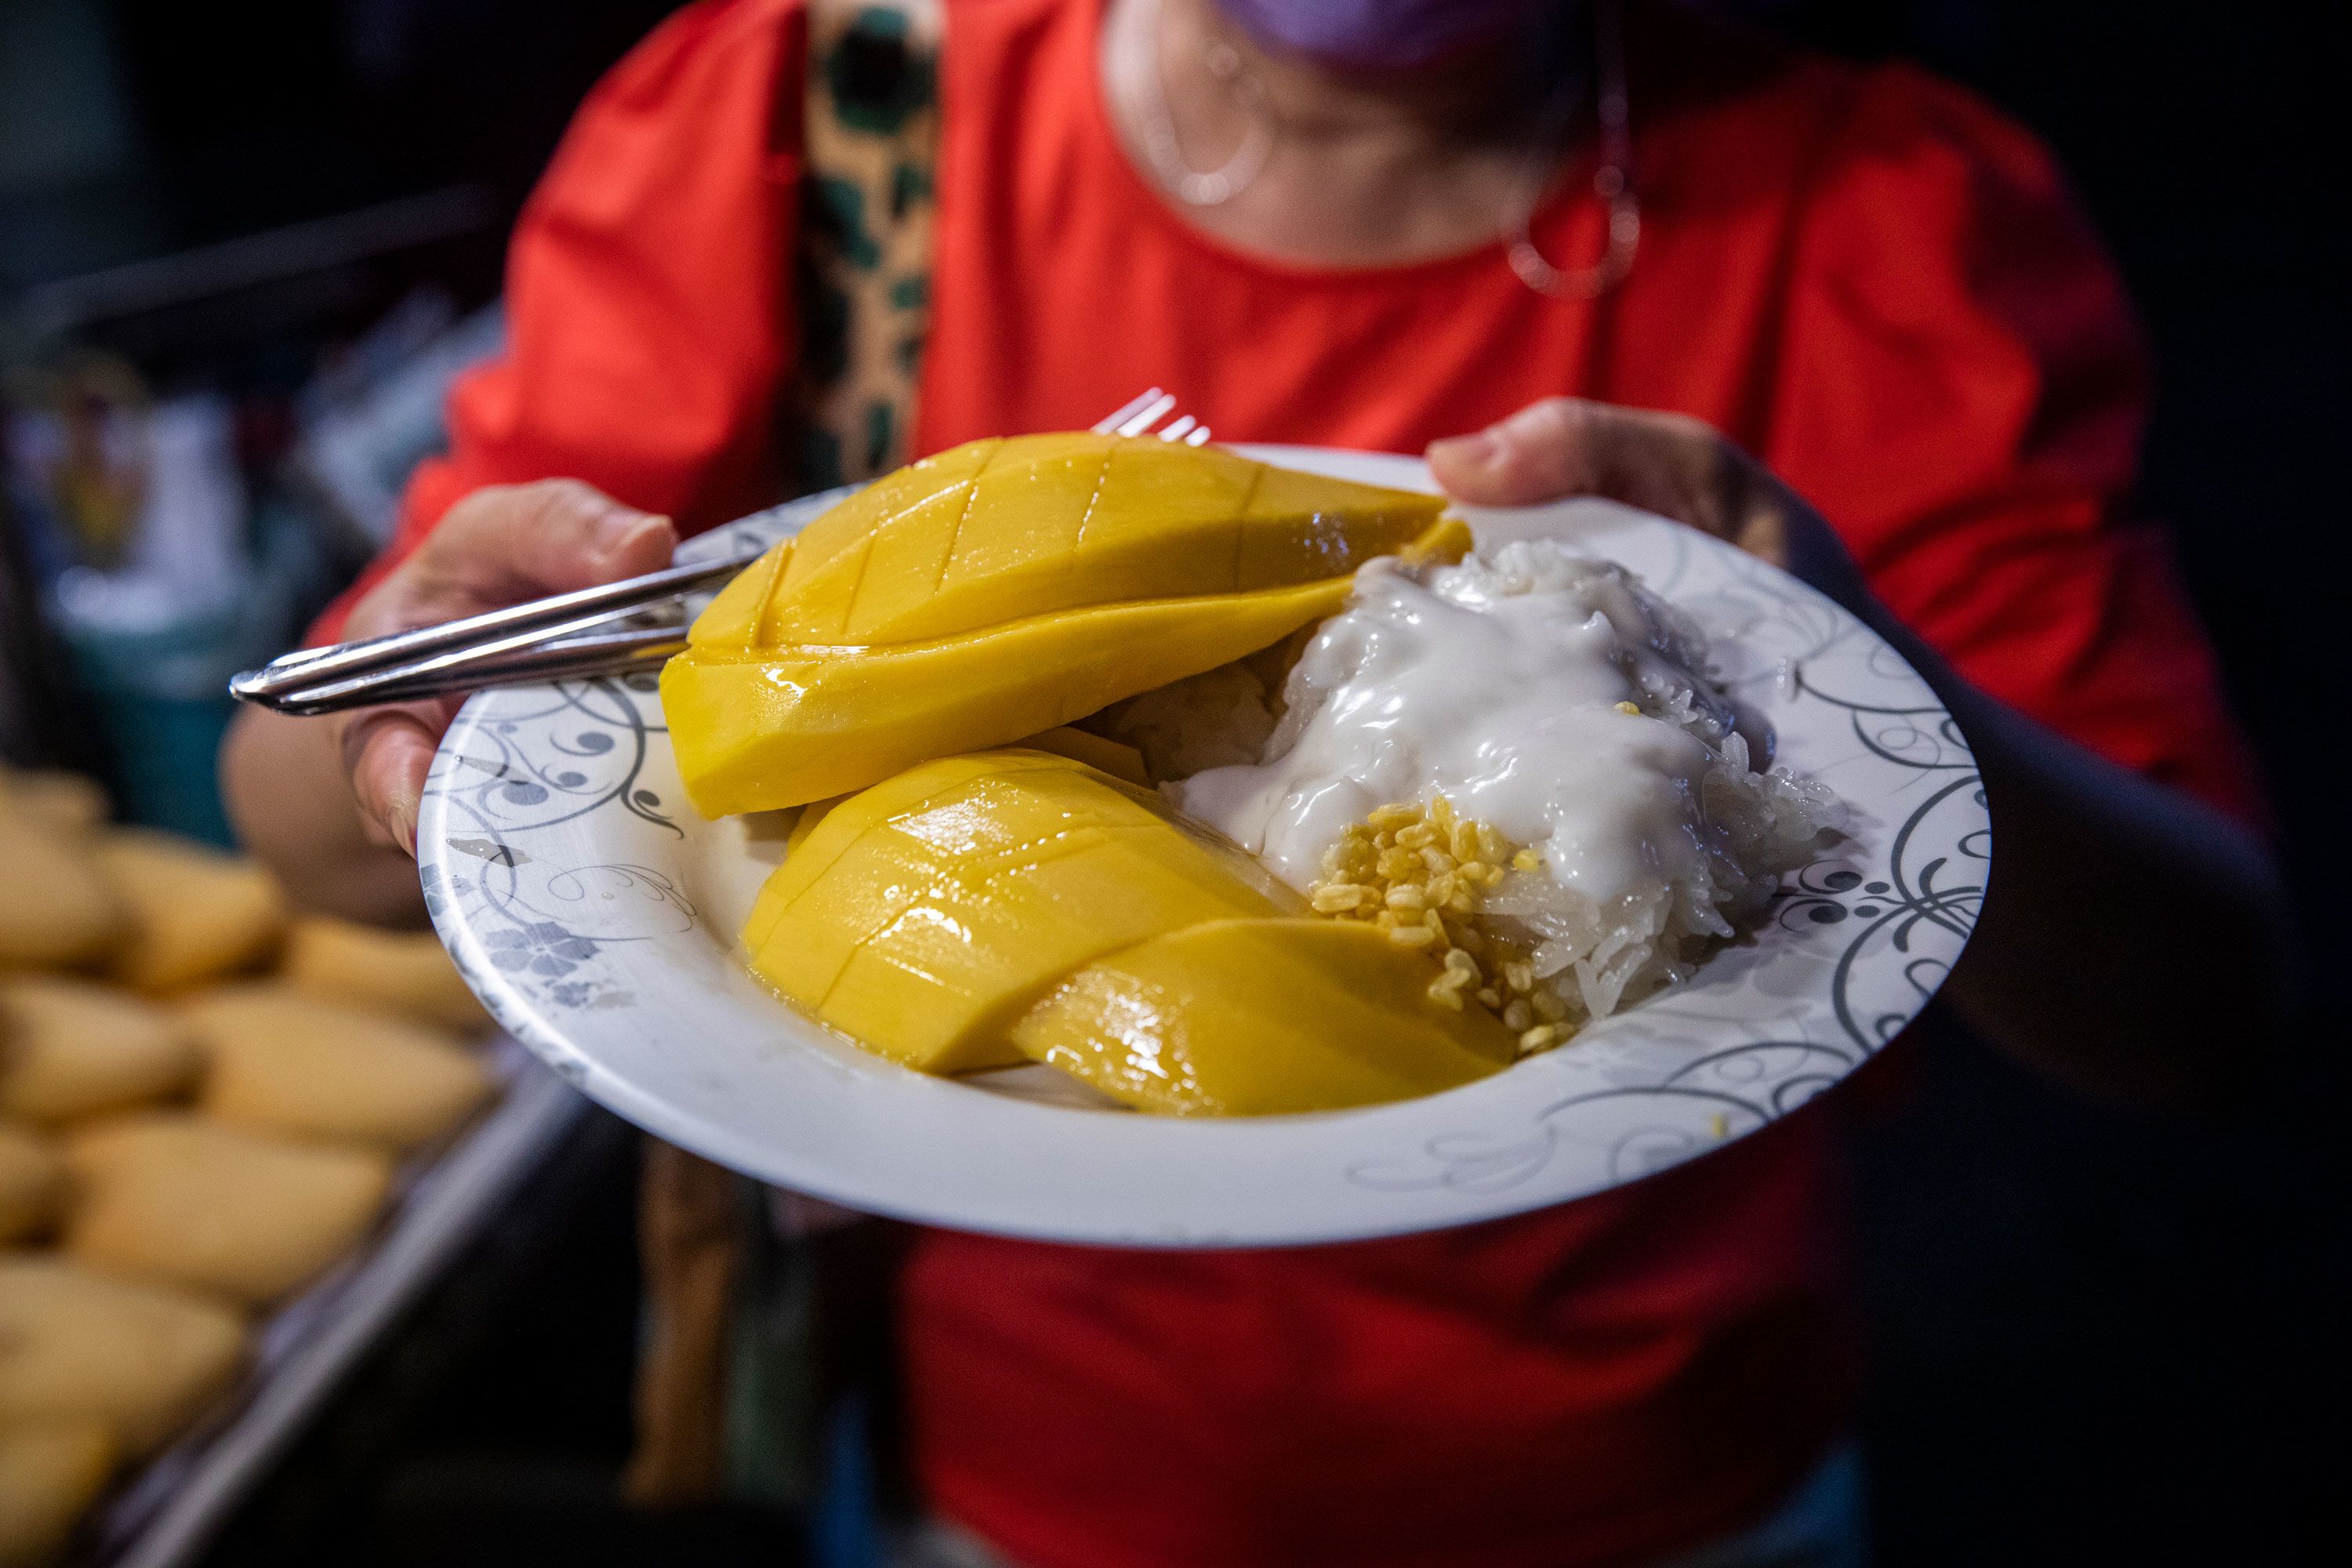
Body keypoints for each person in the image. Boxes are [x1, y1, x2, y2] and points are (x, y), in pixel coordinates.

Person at [222, 1, 2291, 1563]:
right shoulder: (808, 105)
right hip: (1008, 1477)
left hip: (1653, 1481)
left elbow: (2205, 1020)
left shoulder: (1886, 223)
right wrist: (388, 713)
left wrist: (1867, 691)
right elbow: (304, 826)